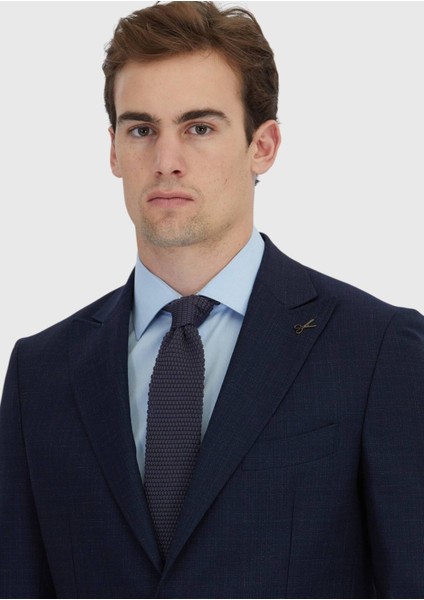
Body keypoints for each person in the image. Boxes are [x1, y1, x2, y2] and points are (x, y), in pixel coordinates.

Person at [1, 1, 423, 597]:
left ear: (263, 146)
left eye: (199, 128)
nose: (166, 162)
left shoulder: (376, 350)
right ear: (114, 150)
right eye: (141, 129)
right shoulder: (40, 373)